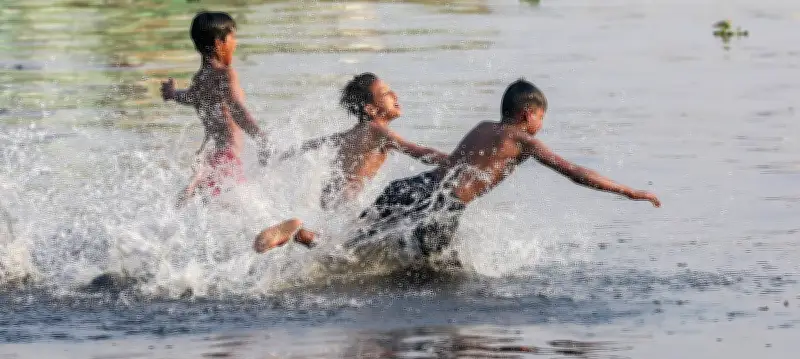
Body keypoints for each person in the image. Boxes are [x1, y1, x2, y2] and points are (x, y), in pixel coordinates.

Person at [253, 78, 661, 258]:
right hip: (440, 206)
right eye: (541, 116)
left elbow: (448, 161)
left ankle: (301, 233)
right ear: (528, 114)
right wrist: (629, 191)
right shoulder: (523, 141)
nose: (542, 125)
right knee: (425, 271)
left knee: (354, 244)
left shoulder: (484, 126)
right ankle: (302, 234)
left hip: (415, 188)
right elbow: (574, 171)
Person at [270, 72, 449, 211]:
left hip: (330, 201)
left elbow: (315, 144)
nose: (395, 95)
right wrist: (455, 161)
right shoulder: (377, 130)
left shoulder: (353, 133)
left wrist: (279, 155)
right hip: (349, 204)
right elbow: (417, 152)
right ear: (370, 109)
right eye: (386, 93)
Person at [161, 11, 271, 206]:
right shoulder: (226, 74)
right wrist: (260, 137)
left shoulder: (200, 78)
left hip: (210, 158)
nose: (235, 43)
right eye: (233, 37)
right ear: (220, 43)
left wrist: (172, 94)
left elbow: (190, 97)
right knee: (240, 210)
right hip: (227, 159)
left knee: (207, 209)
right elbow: (236, 108)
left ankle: (193, 185)